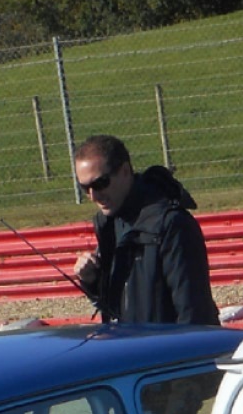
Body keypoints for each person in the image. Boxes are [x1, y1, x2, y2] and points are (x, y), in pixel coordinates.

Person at [71, 135, 220, 326]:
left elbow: (194, 313)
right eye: (85, 188)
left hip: (166, 351)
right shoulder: (108, 224)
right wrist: (93, 280)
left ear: (125, 171)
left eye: (100, 184)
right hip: (128, 347)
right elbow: (118, 303)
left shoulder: (171, 224)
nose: (94, 196)